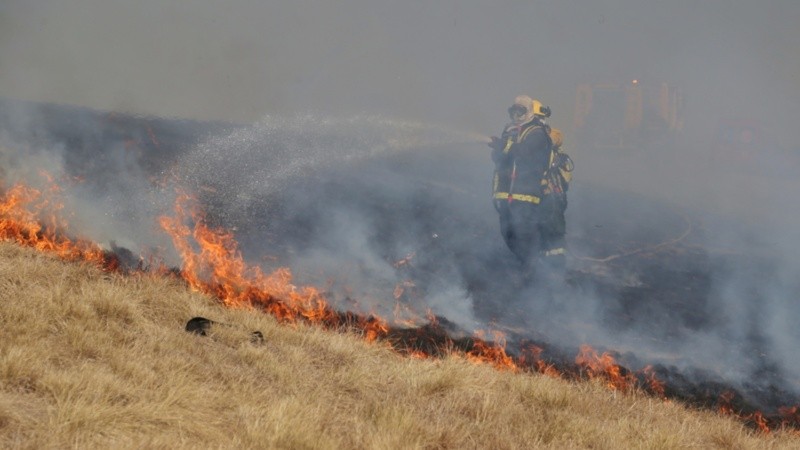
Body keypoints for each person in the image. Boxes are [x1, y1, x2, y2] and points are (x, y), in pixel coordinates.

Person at [488, 95, 571, 276]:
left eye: (521, 111)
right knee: (510, 234)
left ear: (531, 113)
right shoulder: (510, 131)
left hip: (528, 195)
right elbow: (500, 159)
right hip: (507, 195)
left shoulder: (538, 134)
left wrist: (503, 145)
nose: (517, 115)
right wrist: (498, 147)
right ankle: (533, 269)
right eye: (514, 111)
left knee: (531, 236)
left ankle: (541, 274)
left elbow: (524, 152)